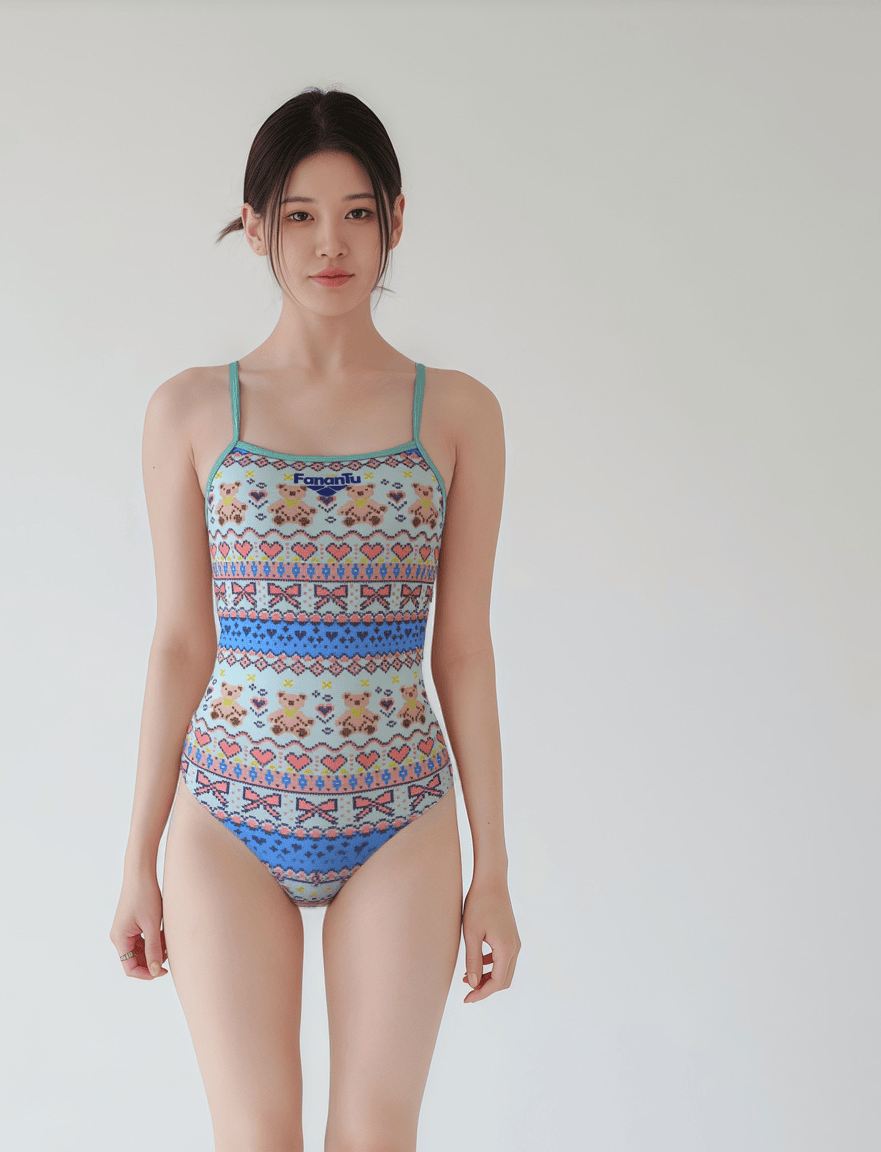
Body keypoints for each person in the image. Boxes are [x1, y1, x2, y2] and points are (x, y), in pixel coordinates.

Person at [109, 86, 521, 1151]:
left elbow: (464, 650)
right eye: (299, 214)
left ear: (394, 219)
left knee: (376, 1134)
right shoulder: (192, 410)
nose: (330, 242)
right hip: (227, 816)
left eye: (356, 212)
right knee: (256, 1136)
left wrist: (493, 872)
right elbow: (180, 643)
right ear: (255, 227)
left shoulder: (458, 412)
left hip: (401, 812)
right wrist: (137, 859)